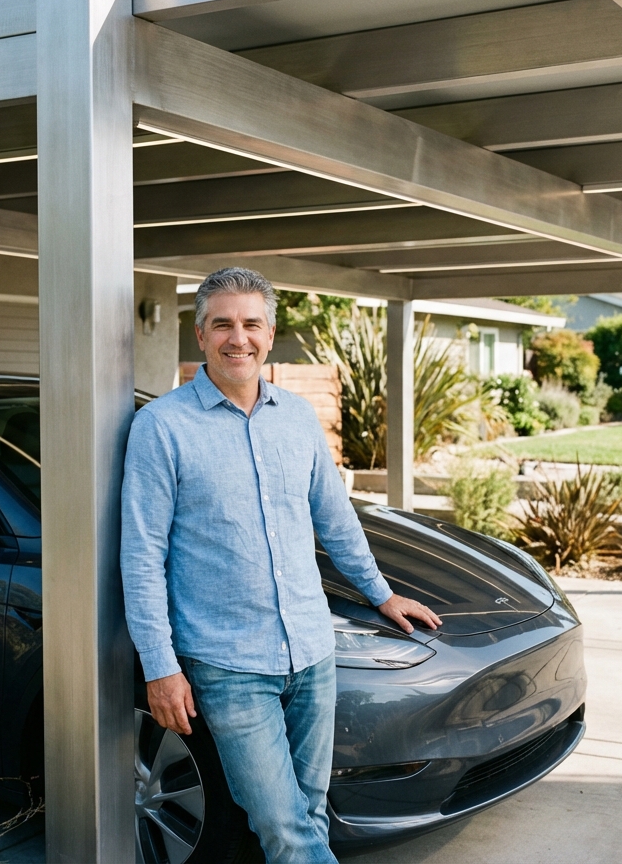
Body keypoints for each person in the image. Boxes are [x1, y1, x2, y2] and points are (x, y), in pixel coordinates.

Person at [120, 267, 440, 863]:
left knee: (309, 815)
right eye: (222, 324)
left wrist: (380, 593)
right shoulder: (161, 428)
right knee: (285, 827)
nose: (236, 338)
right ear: (200, 335)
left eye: (250, 324)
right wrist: (161, 667)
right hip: (227, 664)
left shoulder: (296, 417)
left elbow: (335, 519)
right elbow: (142, 557)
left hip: (312, 653)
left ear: (270, 334)